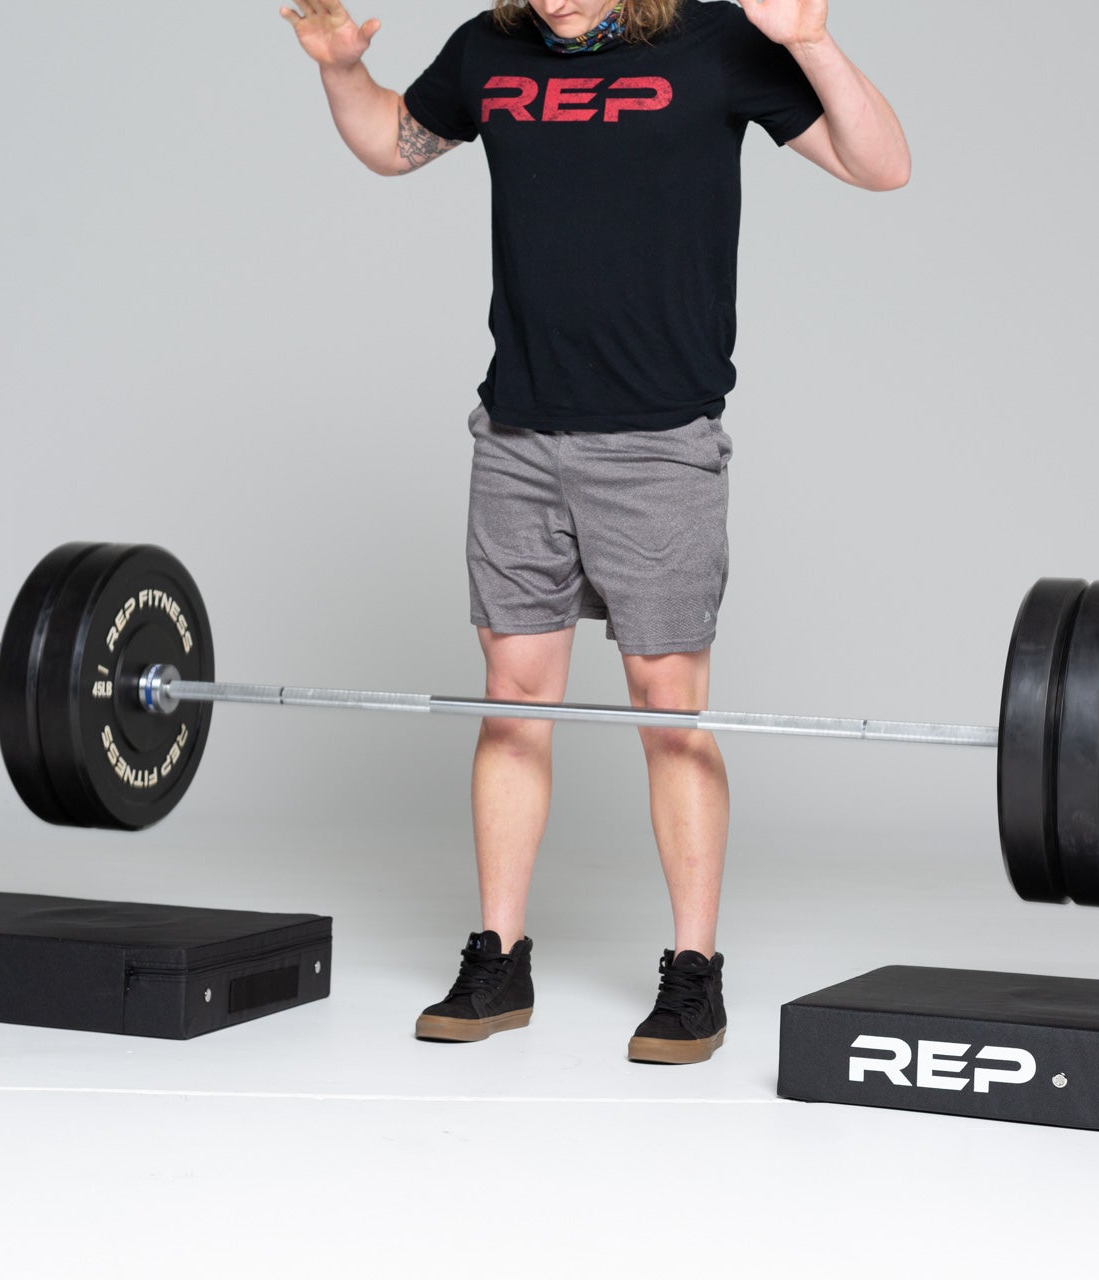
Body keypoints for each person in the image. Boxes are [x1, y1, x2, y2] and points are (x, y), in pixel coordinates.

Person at [281, 0, 908, 1063]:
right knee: (513, 697)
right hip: (519, 432)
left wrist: (810, 42)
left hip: (659, 443)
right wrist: (342, 72)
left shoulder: (718, 45)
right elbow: (393, 143)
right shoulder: (491, 48)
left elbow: (880, 165)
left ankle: (694, 971)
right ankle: (499, 955)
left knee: (669, 707)